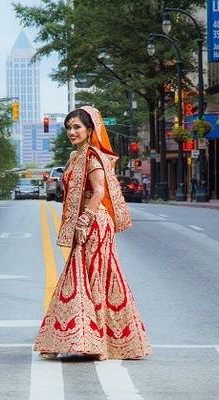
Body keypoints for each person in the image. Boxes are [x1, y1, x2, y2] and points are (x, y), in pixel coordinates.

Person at [33, 106, 152, 361]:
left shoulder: (94, 157)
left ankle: (96, 341)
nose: (72, 132)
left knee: (94, 275)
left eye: (77, 127)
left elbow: (99, 191)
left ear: (90, 129)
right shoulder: (75, 156)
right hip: (85, 221)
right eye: (69, 127)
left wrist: (85, 219)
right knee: (83, 275)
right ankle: (85, 338)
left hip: (94, 221)